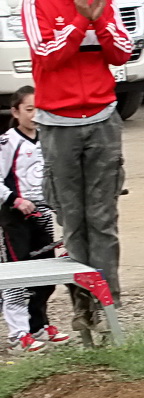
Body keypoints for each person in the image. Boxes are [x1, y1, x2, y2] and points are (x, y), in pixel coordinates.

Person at [21, 0, 132, 333]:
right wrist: (76, 21)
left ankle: (109, 308)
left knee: (103, 219)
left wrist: (98, 19)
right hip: (59, 125)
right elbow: (46, 56)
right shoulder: (38, 3)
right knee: (73, 224)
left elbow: (122, 51)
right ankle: (81, 310)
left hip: (102, 120)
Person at [0, 86, 71, 353]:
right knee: (18, 274)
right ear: (16, 112)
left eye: (39, 109)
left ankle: (38, 324)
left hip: (42, 215)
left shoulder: (47, 139)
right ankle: (18, 334)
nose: (34, 115)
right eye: (29, 110)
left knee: (45, 274)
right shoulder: (8, 142)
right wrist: (15, 201)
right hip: (15, 218)